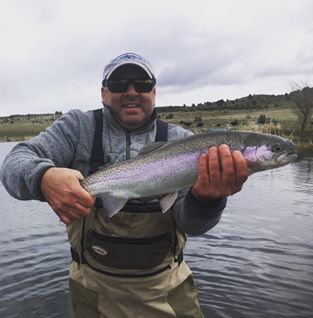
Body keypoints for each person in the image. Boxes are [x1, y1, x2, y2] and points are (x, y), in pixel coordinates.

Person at [0, 52, 248, 318]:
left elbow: (193, 226)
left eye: (142, 84)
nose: (132, 91)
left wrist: (206, 200)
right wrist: (43, 178)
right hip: (91, 292)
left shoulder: (183, 142)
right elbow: (14, 163)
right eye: (119, 84)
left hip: (166, 290)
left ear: (154, 92)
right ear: (104, 93)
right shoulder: (78, 128)